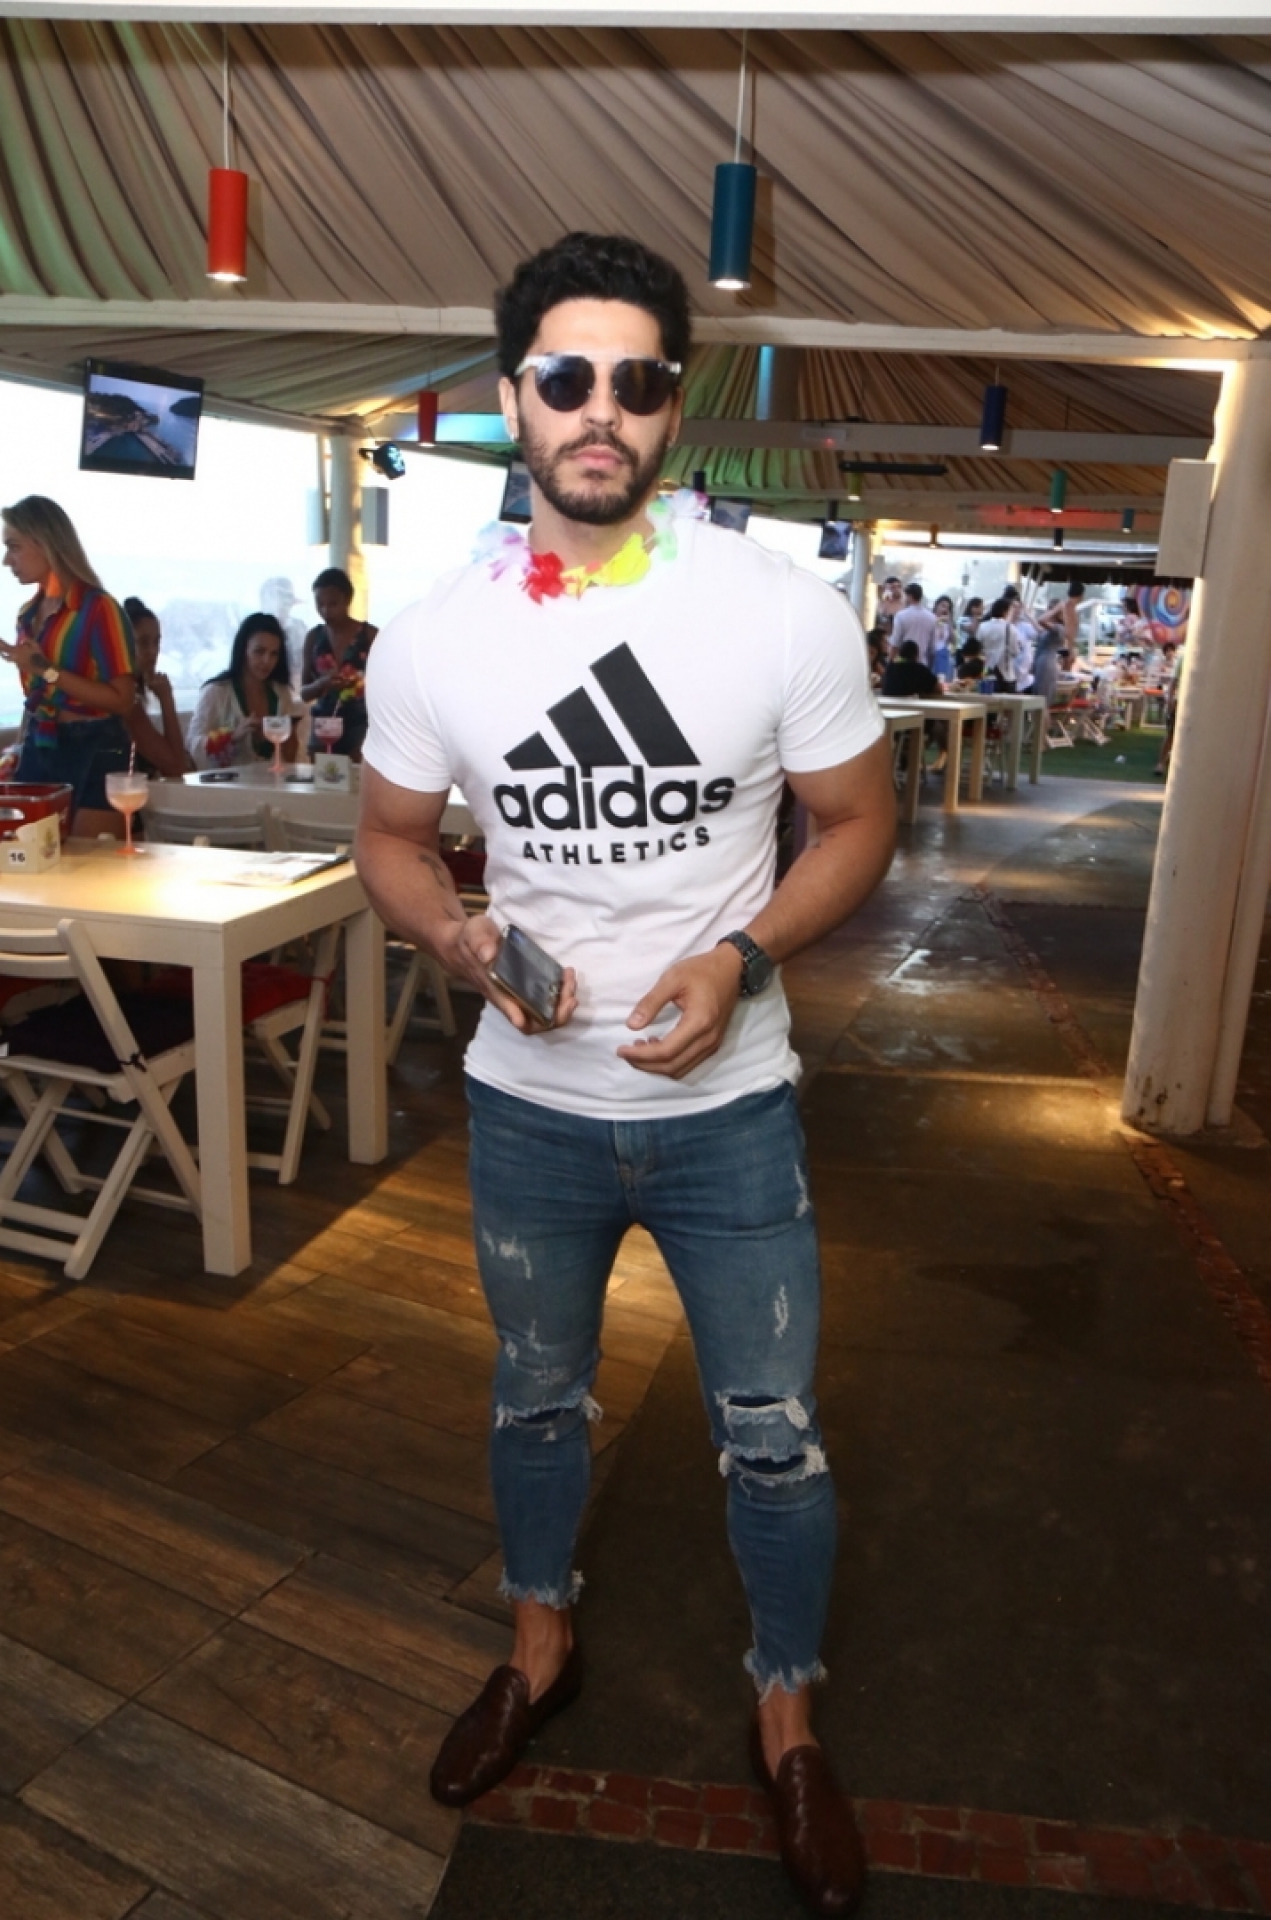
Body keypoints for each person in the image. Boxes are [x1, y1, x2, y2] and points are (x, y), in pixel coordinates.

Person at [356, 230, 896, 1919]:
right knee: (533, 1397)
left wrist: (744, 956)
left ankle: (787, 1715)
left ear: (676, 405)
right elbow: (390, 842)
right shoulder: (435, 639)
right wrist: (462, 941)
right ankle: (539, 1645)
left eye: (638, 380)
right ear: (512, 394)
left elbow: (859, 824)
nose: (602, 409)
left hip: (731, 1117)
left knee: (775, 1438)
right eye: (567, 376)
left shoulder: (778, 611)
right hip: (532, 1117)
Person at [0, 495, 137, 836]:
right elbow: (35, 698)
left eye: (14, 547)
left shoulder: (99, 609)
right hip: (41, 741)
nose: (6, 560)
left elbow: (122, 699)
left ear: (44, 542)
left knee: (88, 859)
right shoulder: (28, 615)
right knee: (31, 852)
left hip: (96, 741)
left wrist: (45, 669)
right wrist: (20, 746)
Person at [187, 613, 304, 769]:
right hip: (229, 783)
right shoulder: (216, 692)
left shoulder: (281, 693)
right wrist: (232, 737)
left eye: (274, 654)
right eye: (259, 651)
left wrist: (287, 736)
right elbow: (192, 746)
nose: (267, 661)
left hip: (273, 781)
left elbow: (290, 758)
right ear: (243, 649)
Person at [300, 566, 377, 762]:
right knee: (322, 779)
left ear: (348, 600)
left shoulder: (369, 636)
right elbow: (304, 693)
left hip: (361, 728)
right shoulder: (314, 637)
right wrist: (321, 684)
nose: (326, 611)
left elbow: (389, 687)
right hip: (323, 727)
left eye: (333, 604)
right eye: (320, 604)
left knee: (357, 779)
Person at [123, 597, 193, 777]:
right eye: (143, 642)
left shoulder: (131, 694)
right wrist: (166, 700)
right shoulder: (125, 701)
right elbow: (176, 768)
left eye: (157, 642)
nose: (153, 651)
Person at [889, 582, 939, 670]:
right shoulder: (932, 617)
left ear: (909, 596)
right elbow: (932, 648)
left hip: (903, 664)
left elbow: (895, 643)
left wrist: (890, 665)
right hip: (922, 665)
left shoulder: (901, 616)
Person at [931, 594, 956, 680]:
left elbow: (953, 641)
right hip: (931, 654)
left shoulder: (946, 623)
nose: (945, 609)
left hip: (943, 655)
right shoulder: (930, 619)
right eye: (943, 606)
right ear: (936, 606)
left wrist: (949, 623)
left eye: (948, 608)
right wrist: (938, 621)